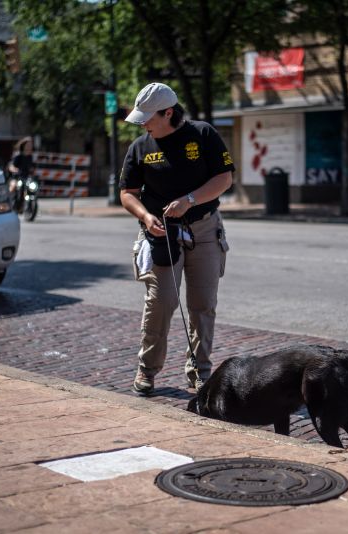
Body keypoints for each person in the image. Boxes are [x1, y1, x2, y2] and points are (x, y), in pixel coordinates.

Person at [119, 82, 234, 396]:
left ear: (168, 113)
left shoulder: (203, 134)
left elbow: (224, 178)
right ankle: (147, 370)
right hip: (161, 234)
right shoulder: (140, 147)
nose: (143, 124)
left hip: (205, 229)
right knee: (161, 303)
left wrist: (190, 200)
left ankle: (200, 373)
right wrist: (144, 216)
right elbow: (127, 194)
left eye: (148, 118)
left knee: (202, 305)